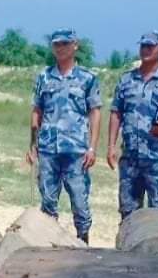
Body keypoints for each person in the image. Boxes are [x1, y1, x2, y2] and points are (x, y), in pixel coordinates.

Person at [26, 28, 102, 243]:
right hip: (48, 148)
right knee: (48, 202)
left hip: (77, 150)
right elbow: (37, 111)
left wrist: (92, 147)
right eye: (56, 44)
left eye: (65, 44)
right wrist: (32, 145)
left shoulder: (87, 78)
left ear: (75, 46)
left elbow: (95, 112)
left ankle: (83, 240)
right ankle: (49, 245)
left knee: (79, 200)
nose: (60, 48)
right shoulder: (44, 77)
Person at [107, 30, 158, 220]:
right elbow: (116, 113)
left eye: (150, 46)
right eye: (143, 46)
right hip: (130, 158)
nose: (145, 50)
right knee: (128, 214)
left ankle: (156, 250)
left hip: (157, 159)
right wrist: (111, 146)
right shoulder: (126, 80)